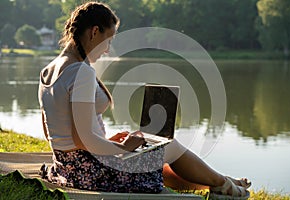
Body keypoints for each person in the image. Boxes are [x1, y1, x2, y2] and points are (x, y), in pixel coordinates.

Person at [38, 1, 251, 199]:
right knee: (169, 146)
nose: (108, 50)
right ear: (95, 32)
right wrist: (123, 148)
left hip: (67, 168)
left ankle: (219, 181)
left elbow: (53, 133)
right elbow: (82, 140)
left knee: (155, 161)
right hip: (91, 173)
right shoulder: (80, 72)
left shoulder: (48, 71)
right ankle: (223, 184)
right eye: (109, 40)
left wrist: (109, 143)